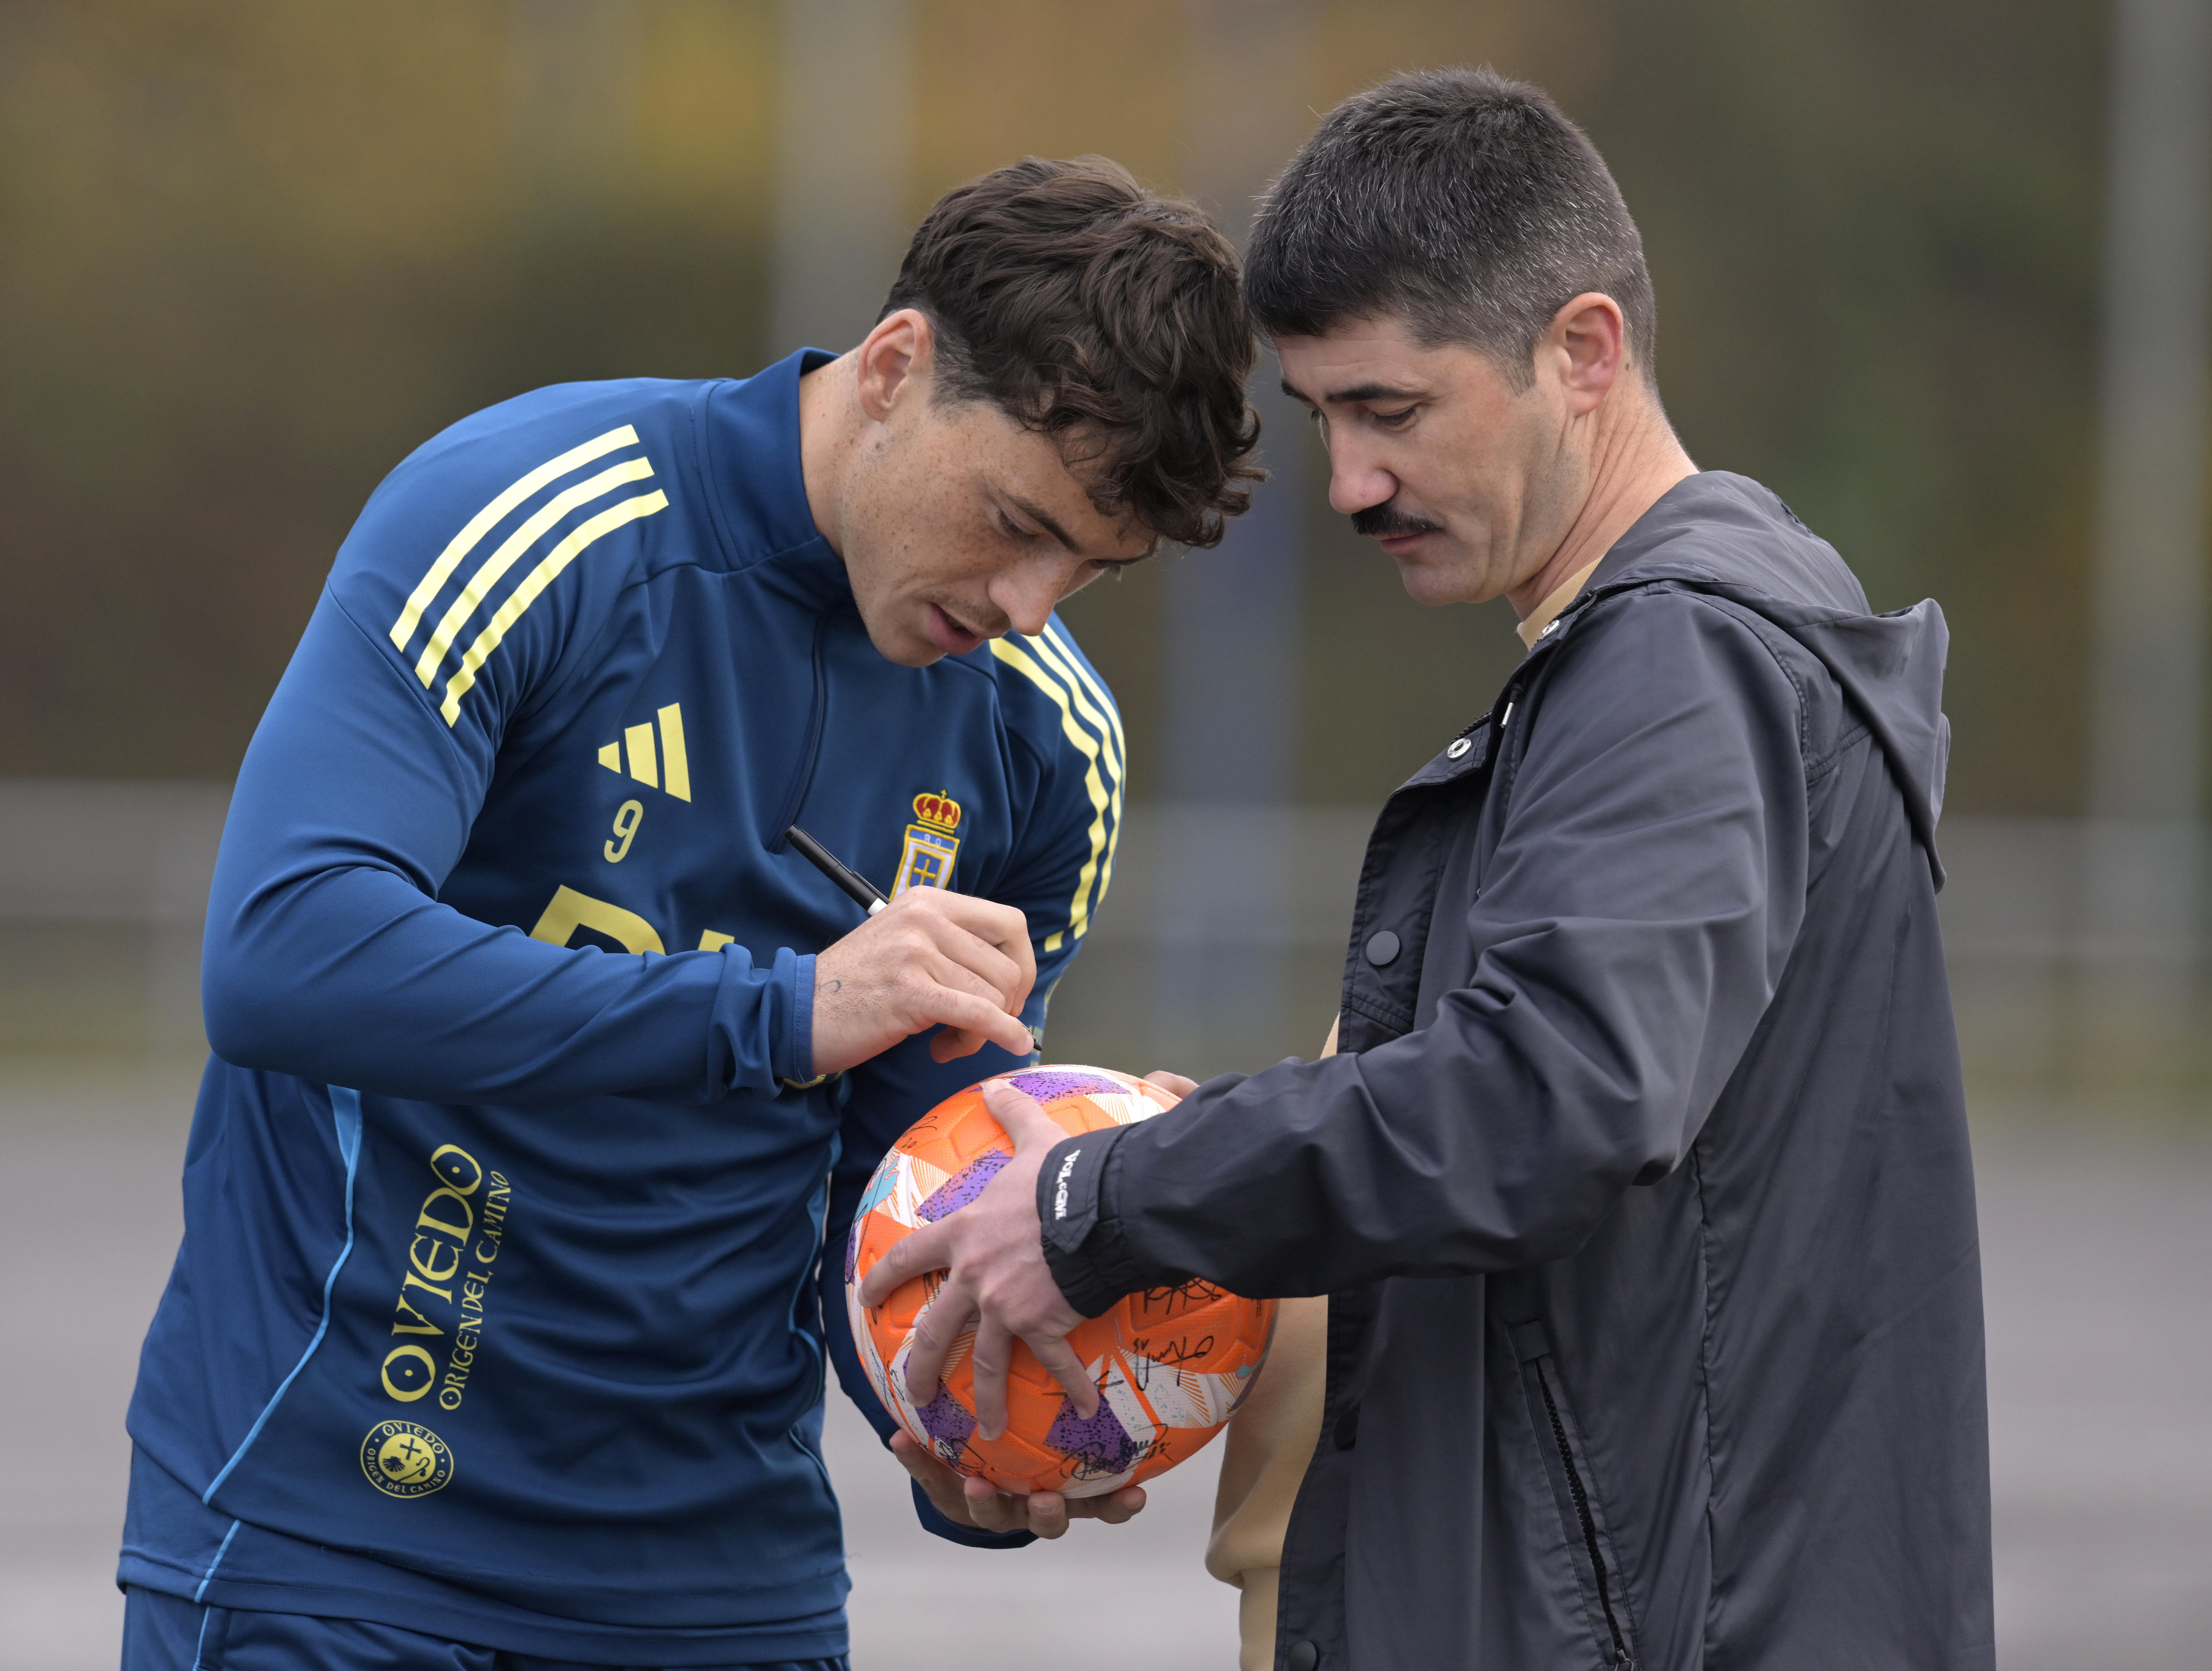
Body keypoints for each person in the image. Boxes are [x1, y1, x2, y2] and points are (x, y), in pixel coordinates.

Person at [866, 71, 1994, 1671]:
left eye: (1391, 412)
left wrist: (1110, 1200)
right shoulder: (1645, 664)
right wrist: (1189, 1206)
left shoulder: (1681, 660)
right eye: (1327, 418)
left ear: (1582, 353)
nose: (1350, 486)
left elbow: (1549, 1099)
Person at [115, 155, 1261, 1669]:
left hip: (723, 1590)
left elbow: (901, 1179)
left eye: (1089, 570)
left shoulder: (1050, 746)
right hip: (345, 1542)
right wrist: (780, 1011)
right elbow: (283, 945)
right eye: (1011, 519)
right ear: (897, 369)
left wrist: (968, 1424)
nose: (1030, 605)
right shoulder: (533, 521)